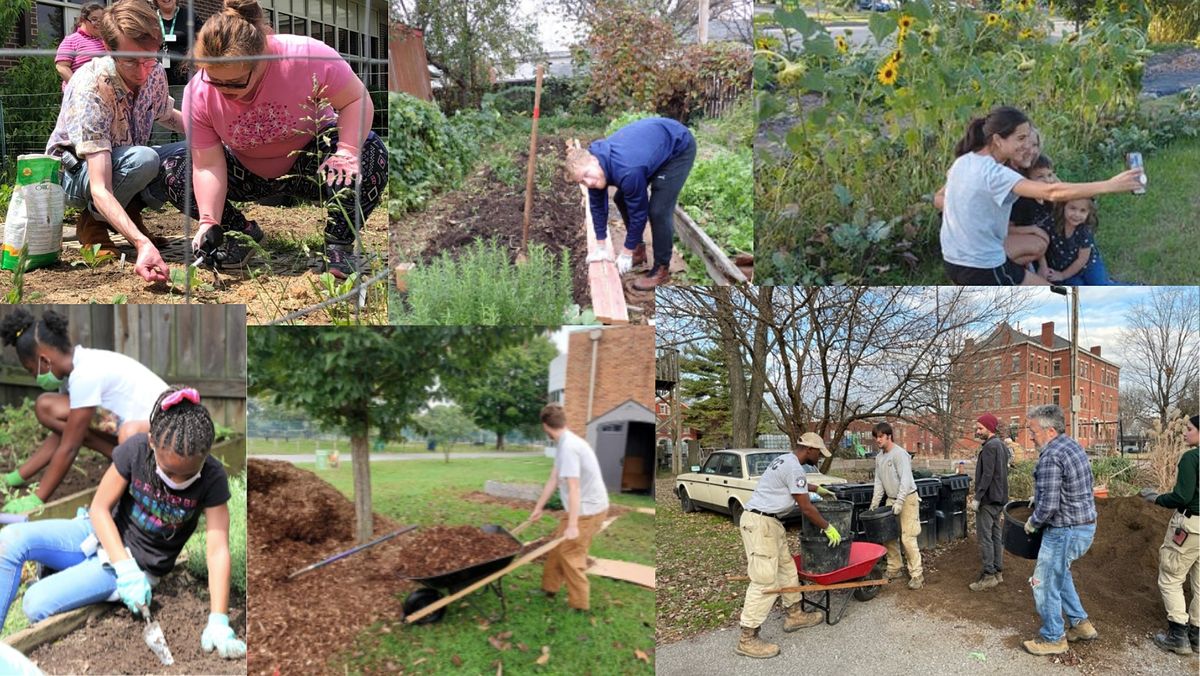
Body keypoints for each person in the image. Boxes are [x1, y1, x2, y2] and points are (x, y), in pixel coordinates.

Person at [0, 387, 245, 659]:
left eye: (187, 474)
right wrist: (123, 566)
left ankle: (62, 575)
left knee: (35, 603)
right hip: (100, 535)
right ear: (152, 441)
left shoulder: (212, 478)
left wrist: (219, 620)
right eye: (169, 472)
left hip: (138, 567)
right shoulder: (136, 451)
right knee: (11, 538)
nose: (177, 481)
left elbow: (217, 549)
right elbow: (100, 508)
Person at [152, 0, 387, 279]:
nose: (225, 91)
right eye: (216, 80)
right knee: (175, 170)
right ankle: (241, 235)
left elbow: (356, 100)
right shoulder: (199, 93)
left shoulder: (306, 56)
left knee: (371, 151)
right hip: (247, 169)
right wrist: (208, 221)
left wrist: (346, 150)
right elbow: (207, 165)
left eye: (236, 81)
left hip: (311, 165)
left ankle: (338, 244)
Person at [44, 0, 183, 282]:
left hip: (123, 160)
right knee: (145, 159)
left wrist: (216, 135)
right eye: (130, 60)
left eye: (149, 58)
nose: (143, 71)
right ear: (109, 49)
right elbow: (100, 186)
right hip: (75, 174)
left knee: (188, 151)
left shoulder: (153, 72)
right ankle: (91, 222)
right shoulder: (90, 86)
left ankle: (128, 213)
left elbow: (168, 115)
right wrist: (142, 245)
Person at [939, 105, 1143, 285]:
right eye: (1020, 139)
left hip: (953, 259)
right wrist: (1110, 185)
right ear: (998, 140)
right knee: (1051, 297)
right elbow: (1052, 192)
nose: (1028, 145)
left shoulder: (964, 161)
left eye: (1029, 138)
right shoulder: (995, 174)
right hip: (981, 266)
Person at [0, 309, 168, 513]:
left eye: (31, 370)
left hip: (165, 435)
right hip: (144, 430)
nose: (34, 376)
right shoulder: (76, 371)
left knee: (49, 408)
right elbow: (59, 436)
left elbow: (70, 447)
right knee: (63, 420)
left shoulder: (84, 375)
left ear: (44, 361)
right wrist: (16, 477)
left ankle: (127, 464)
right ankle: (121, 457)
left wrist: (37, 499)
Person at [733, 432, 840, 659]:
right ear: (809, 449)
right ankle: (747, 639)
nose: (819, 457)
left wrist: (815, 488)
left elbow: (793, 485)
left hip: (770, 524)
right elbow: (807, 509)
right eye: (818, 453)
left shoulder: (785, 460)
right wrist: (828, 527)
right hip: (761, 524)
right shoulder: (793, 467)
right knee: (765, 579)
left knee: (787, 569)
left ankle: (795, 614)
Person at [566, 116, 696, 291]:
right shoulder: (594, 169)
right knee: (620, 198)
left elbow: (639, 214)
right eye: (582, 181)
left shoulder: (628, 171)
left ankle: (661, 269)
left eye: (587, 175)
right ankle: (638, 250)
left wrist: (625, 252)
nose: (588, 182)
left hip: (677, 146)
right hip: (650, 148)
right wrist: (601, 246)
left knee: (658, 210)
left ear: (594, 161)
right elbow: (597, 207)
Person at [1021, 404, 1098, 655]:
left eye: (1032, 430)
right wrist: (1040, 496)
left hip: (1064, 530)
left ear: (1050, 430)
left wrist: (1033, 522)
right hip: (1084, 526)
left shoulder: (1051, 456)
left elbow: (1050, 506)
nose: (1030, 436)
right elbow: (1073, 486)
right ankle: (1080, 624)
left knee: (1042, 583)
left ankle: (1054, 637)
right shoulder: (1072, 446)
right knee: (1060, 574)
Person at [529, 404, 609, 612]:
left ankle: (580, 605)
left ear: (545, 426)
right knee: (557, 547)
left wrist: (572, 525)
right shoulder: (565, 443)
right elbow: (553, 479)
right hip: (580, 509)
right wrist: (538, 508)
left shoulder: (569, 448)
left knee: (572, 554)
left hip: (588, 511)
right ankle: (549, 588)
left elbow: (574, 488)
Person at [1140, 414, 1199, 655]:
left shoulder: (1191, 458)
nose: (1185, 433)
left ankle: (1178, 635)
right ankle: (1196, 635)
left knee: (1171, 577)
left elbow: (1182, 496)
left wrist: (1156, 498)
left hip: (1190, 526)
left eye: (1190, 428)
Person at [868, 422, 923, 589]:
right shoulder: (879, 457)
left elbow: (905, 479)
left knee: (908, 537)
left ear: (888, 436)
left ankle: (917, 575)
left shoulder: (900, 454)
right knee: (889, 536)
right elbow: (878, 481)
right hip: (891, 499)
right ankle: (895, 567)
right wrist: (875, 502)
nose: (877, 440)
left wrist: (900, 501)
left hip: (907, 498)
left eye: (880, 437)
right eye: (875, 437)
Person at [969, 413, 1009, 592]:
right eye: (977, 428)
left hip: (988, 500)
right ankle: (998, 572)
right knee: (995, 535)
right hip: (999, 498)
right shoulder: (1001, 445)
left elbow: (988, 475)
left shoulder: (990, 447)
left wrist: (977, 497)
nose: (977, 431)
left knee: (985, 537)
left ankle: (989, 575)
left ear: (989, 428)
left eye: (980, 428)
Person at [1037, 197, 1112, 285]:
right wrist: (1043, 266)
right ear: (1063, 206)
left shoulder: (1085, 230)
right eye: (1073, 208)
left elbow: (1082, 259)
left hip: (1089, 265)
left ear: (1088, 213)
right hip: (1064, 266)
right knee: (1077, 290)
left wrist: (1063, 275)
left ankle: (1125, 288)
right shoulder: (1052, 222)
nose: (1077, 214)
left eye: (1082, 211)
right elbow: (1039, 242)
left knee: (1100, 286)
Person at [54, 4, 107, 91]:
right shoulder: (71, 40)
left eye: (101, 20)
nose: (98, 23)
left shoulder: (105, 41)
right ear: (83, 20)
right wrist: (79, 87)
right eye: (94, 19)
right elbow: (62, 67)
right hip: (81, 95)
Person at [153, 0, 191, 89]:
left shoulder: (189, 16)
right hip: (157, 79)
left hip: (185, 78)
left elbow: (200, 38)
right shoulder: (151, 18)